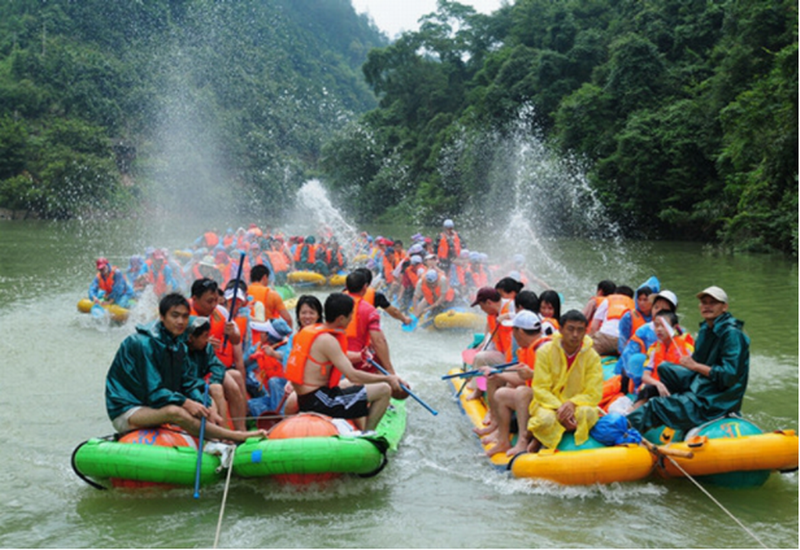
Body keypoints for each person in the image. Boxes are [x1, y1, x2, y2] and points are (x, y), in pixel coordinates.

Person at [105, 293, 265, 442]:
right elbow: (154, 392)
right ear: (162, 317)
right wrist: (187, 403)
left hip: (150, 405)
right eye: (175, 316)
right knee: (175, 411)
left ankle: (216, 439)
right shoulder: (143, 343)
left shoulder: (178, 344)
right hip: (128, 408)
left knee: (203, 402)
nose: (180, 321)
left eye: (184, 316)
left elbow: (188, 383)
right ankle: (234, 436)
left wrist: (207, 406)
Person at [626, 286, 750, 433]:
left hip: (716, 398)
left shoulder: (732, 334)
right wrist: (691, 366)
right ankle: (656, 406)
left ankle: (623, 429)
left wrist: (695, 366)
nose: (707, 306)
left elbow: (728, 376)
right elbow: (695, 364)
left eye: (713, 303)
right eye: (704, 303)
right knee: (664, 369)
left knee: (656, 406)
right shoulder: (706, 329)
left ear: (724, 307)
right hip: (703, 383)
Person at [285, 293, 407, 431]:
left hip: (308, 396)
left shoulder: (309, 331)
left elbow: (336, 358)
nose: (351, 320)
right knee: (384, 390)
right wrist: (388, 378)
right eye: (350, 316)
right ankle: (368, 434)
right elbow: (352, 374)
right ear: (341, 318)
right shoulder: (328, 340)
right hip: (320, 401)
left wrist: (360, 356)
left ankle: (360, 425)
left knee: (351, 385)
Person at [526, 310, 603, 451]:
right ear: (561, 329)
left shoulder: (592, 356)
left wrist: (572, 403)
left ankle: (548, 436)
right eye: (570, 329)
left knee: (588, 413)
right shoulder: (545, 352)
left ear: (585, 332)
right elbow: (540, 388)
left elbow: (594, 392)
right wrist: (561, 408)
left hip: (577, 405)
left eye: (580, 330)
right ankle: (540, 438)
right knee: (546, 419)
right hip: (549, 404)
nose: (575, 335)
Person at [478, 311, 550, 456]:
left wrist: (499, 373)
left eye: (513, 330)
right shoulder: (529, 347)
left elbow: (525, 380)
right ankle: (502, 440)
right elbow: (523, 373)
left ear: (520, 332)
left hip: (548, 399)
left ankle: (522, 442)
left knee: (522, 391)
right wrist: (497, 371)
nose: (513, 335)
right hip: (536, 394)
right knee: (501, 394)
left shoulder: (542, 349)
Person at [189, 278, 248, 431]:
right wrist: (202, 342)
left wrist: (232, 332)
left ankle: (241, 431)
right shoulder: (184, 315)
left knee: (234, 385)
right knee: (219, 388)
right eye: (209, 301)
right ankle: (225, 433)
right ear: (195, 299)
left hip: (211, 366)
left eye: (216, 300)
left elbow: (235, 339)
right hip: (191, 367)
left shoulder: (221, 312)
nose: (214, 305)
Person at [630, 310, 695, 408]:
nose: (659, 329)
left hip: (679, 387)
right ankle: (632, 412)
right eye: (656, 325)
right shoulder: (653, 348)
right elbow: (645, 376)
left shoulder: (686, 347)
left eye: (663, 325)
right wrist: (658, 384)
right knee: (648, 388)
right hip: (658, 387)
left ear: (674, 327)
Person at [344, 271, 397, 374]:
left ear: (346, 286)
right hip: (357, 359)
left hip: (336, 356)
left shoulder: (334, 303)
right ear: (365, 287)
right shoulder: (369, 310)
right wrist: (390, 369)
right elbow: (379, 341)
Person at [185, 315, 230, 428]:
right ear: (191, 338)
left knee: (216, 387)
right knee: (210, 403)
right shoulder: (181, 351)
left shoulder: (206, 348)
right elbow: (186, 381)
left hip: (199, 385)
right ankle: (220, 433)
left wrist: (213, 381)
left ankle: (225, 430)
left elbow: (217, 366)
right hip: (186, 390)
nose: (207, 340)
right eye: (204, 336)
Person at [588, 285, 635, 356]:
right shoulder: (633, 305)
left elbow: (594, 326)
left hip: (604, 338)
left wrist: (589, 340)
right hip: (622, 342)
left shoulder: (607, 300)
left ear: (615, 294)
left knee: (587, 353)